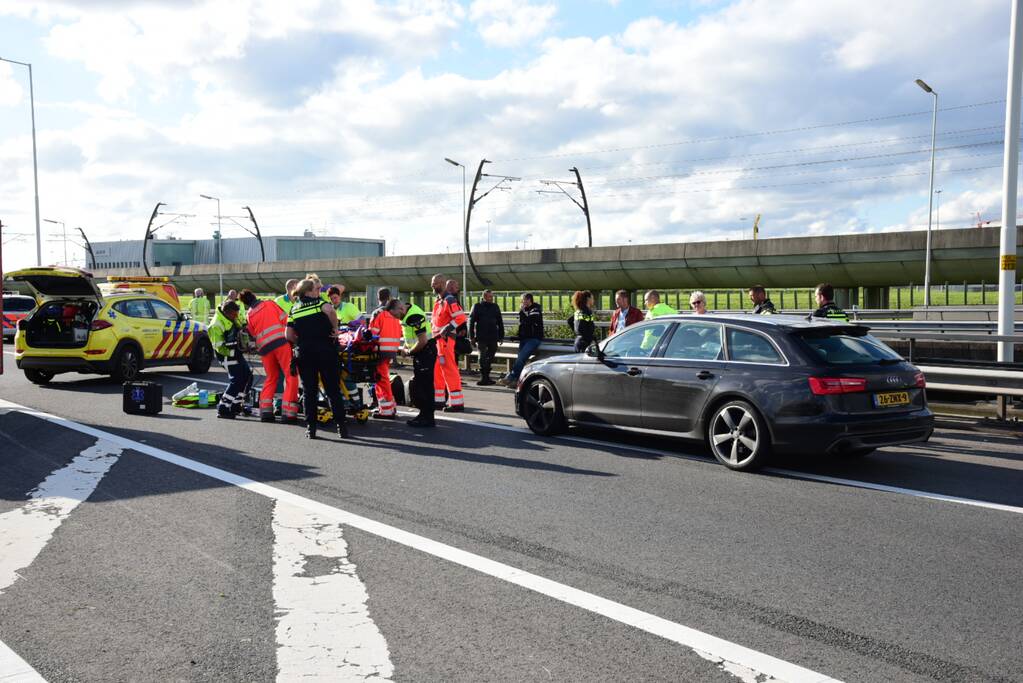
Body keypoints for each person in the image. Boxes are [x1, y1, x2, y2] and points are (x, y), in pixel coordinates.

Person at [286, 278, 349, 440]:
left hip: (305, 353)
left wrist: (301, 341)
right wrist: (335, 329)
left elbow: (288, 335)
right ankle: (341, 428)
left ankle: (311, 429)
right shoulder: (319, 304)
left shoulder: (294, 309)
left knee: (309, 392)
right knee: (333, 390)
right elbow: (331, 312)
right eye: (316, 289)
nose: (319, 291)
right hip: (325, 351)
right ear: (308, 291)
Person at [240, 289, 299, 424]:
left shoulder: (249, 314)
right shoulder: (269, 304)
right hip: (280, 343)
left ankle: (266, 411)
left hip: (265, 349)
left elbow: (253, 333)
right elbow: (285, 320)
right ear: (255, 296)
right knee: (291, 375)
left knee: (271, 378)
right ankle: (288, 413)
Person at [430, 274, 468, 411]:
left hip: (445, 341)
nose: (432, 285)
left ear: (441, 283)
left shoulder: (449, 299)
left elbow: (461, 318)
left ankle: (457, 403)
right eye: (432, 283)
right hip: (437, 342)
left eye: (434, 283)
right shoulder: (438, 301)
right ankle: (439, 401)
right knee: (437, 371)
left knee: (449, 370)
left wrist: (447, 328)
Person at [208, 300, 252, 419]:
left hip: (236, 352)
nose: (236, 316)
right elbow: (219, 346)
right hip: (226, 355)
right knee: (237, 381)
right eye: (234, 314)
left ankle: (236, 405)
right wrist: (233, 352)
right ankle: (223, 408)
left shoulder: (232, 316)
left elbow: (242, 325)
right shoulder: (215, 324)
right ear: (227, 312)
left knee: (248, 376)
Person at [399, 300, 437, 428]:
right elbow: (410, 334)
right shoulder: (407, 312)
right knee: (422, 384)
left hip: (425, 351)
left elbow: (422, 340)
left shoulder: (414, 316)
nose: (396, 318)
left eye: (395, 315)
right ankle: (424, 415)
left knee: (425, 386)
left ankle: (428, 418)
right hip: (422, 352)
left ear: (400, 309)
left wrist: (408, 351)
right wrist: (406, 346)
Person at [368, 297, 403, 419]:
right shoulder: (396, 319)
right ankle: (388, 408)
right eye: (400, 308)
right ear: (392, 309)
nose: (402, 311)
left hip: (379, 352)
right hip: (390, 353)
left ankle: (387, 411)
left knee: (381, 381)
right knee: (383, 379)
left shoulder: (381, 315)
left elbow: (372, 333)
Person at [500, 293, 543, 387]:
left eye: (524, 300)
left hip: (533, 339)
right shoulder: (524, 311)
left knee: (521, 359)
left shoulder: (536, 309)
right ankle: (517, 382)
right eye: (522, 300)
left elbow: (529, 321)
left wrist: (523, 311)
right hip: (524, 339)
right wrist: (518, 336)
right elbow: (522, 324)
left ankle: (510, 377)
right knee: (520, 360)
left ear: (529, 300)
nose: (522, 302)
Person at [468, 289, 504, 386]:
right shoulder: (477, 306)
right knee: (482, 356)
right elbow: (471, 322)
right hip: (481, 336)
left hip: (493, 336)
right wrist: (471, 337)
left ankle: (487, 376)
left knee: (491, 356)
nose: (491, 298)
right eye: (489, 297)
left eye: (492, 296)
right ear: (484, 297)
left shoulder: (495, 307)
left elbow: (500, 322)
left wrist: (501, 336)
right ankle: (484, 377)